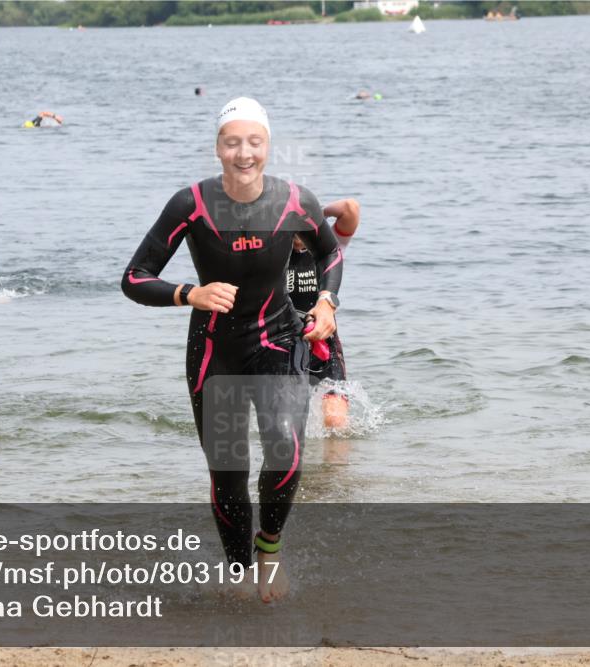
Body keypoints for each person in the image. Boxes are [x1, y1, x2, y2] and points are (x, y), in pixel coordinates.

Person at [122, 97, 342, 603]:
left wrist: (327, 301)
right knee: (228, 470)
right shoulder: (191, 204)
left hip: (279, 338)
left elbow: (329, 251)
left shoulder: (295, 202)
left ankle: (269, 552)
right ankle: (240, 571)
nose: (244, 152)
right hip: (214, 348)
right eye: (232, 142)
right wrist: (188, 294)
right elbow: (135, 277)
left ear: (268, 146)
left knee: (285, 451)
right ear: (218, 148)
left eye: (254, 142)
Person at [287, 198, 360, 430]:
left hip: (324, 346)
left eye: (306, 227)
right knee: (286, 425)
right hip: (284, 347)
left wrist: (320, 213)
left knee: (335, 422)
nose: (300, 236)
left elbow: (350, 208)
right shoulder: (274, 254)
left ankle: (335, 467)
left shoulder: (329, 247)